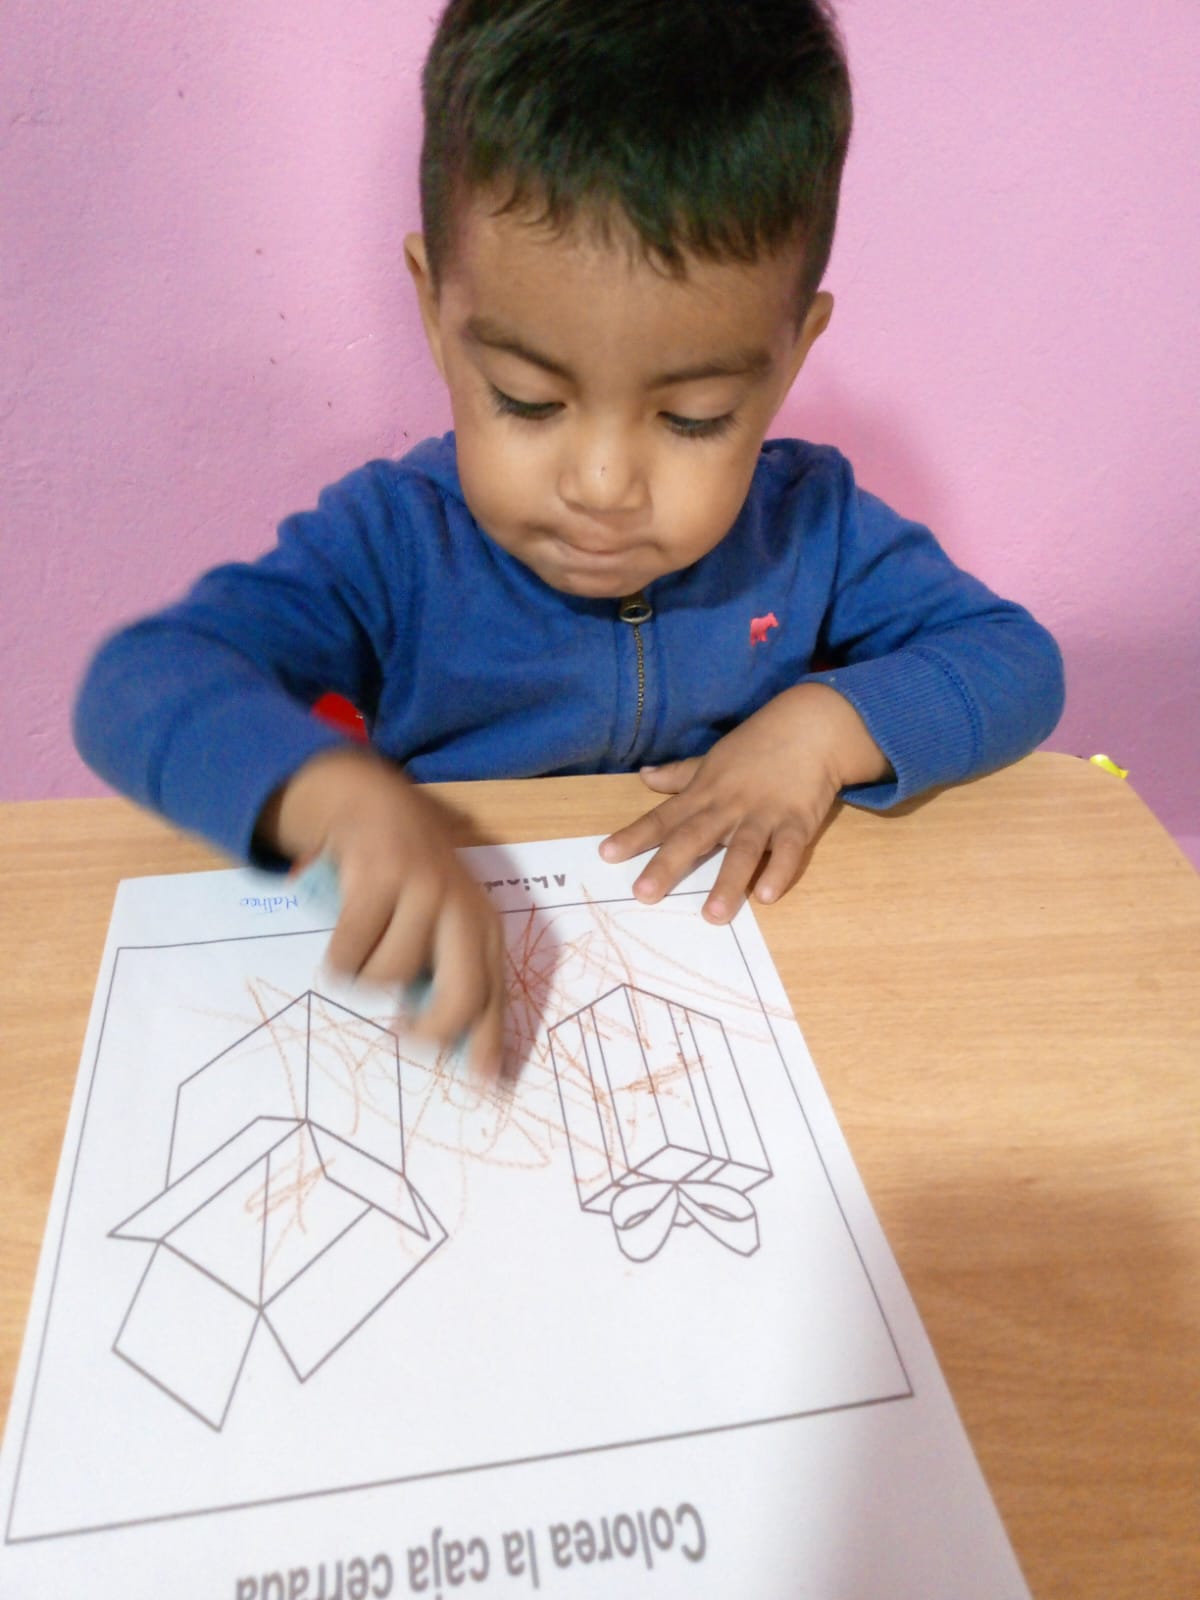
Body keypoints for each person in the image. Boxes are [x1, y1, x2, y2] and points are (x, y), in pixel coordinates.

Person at [73, 0, 1064, 1077]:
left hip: (744, 1011)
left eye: (693, 418)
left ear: (790, 358)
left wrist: (824, 730)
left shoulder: (811, 524)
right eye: (528, 400)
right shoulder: (394, 543)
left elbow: (1016, 661)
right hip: (448, 1031)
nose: (601, 486)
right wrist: (324, 798)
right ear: (435, 312)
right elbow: (141, 682)